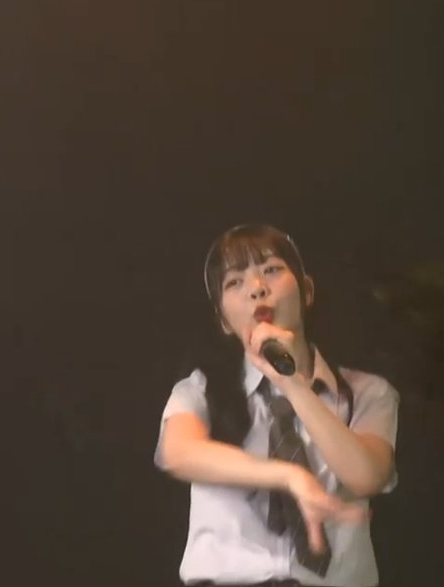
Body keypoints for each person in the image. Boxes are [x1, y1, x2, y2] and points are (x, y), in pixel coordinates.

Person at [155, 223, 399, 586]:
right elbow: (178, 453)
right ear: (223, 320)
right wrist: (289, 476)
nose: (257, 288)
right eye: (234, 282)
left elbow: (367, 476)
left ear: (307, 290)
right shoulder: (200, 390)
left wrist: (292, 382)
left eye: (271, 269)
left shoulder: (367, 392)